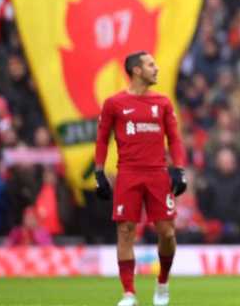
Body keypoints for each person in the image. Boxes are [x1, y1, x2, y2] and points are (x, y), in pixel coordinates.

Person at [94, 51, 187, 306]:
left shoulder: (163, 102)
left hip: (157, 174)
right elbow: (102, 139)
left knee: (167, 233)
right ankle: (129, 294)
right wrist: (99, 172)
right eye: (150, 65)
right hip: (128, 174)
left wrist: (179, 168)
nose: (156, 68)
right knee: (125, 231)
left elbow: (175, 139)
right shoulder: (114, 103)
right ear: (136, 70)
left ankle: (163, 282)